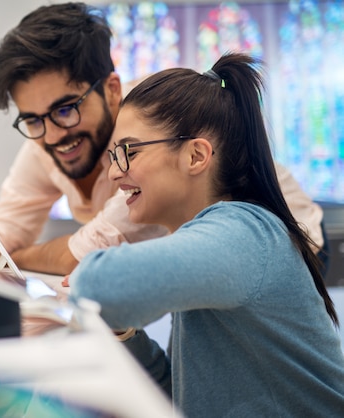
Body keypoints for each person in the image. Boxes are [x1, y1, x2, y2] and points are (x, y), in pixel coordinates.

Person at [0, 2, 327, 278]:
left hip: (289, 256)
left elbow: (85, 255)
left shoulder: (155, 130)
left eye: (65, 109)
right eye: (34, 119)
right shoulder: (43, 139)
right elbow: (2, 233)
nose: (54, 135)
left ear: (111, 89)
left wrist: (2, 257)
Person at [68, 52, 344, 417]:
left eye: (128, 151)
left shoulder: (244, 231)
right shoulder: (208, 241)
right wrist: (122, 332)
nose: (114, 174)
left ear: (196, 156)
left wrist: (92, 282)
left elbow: (97, 286)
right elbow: (182, 400)